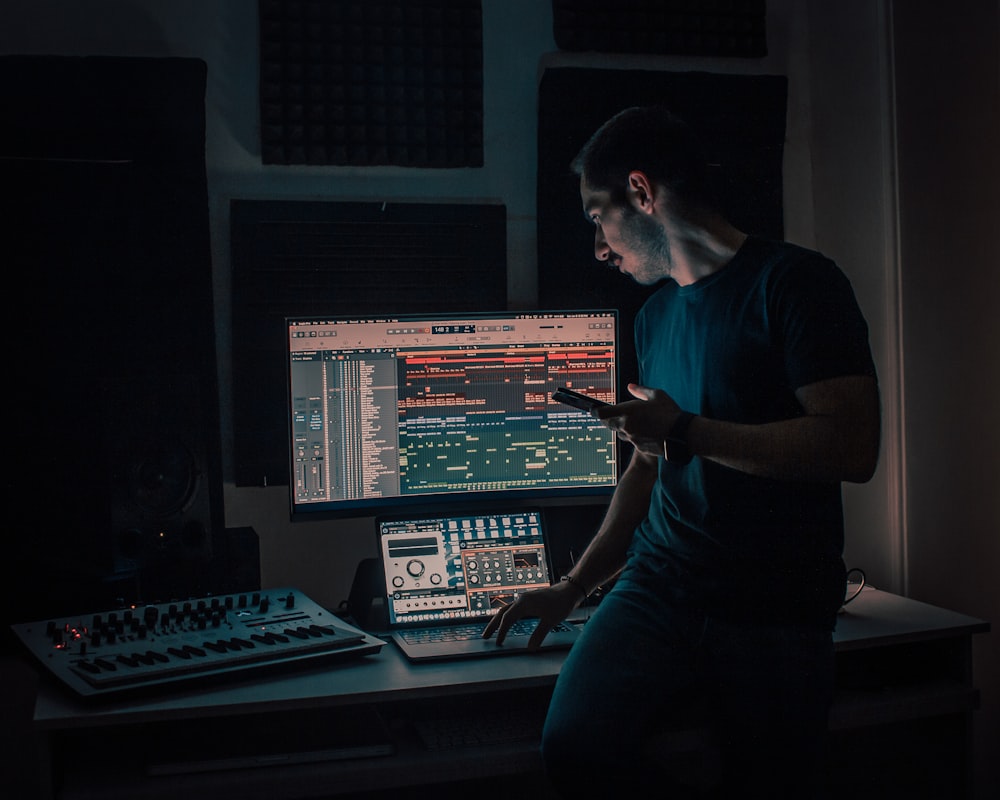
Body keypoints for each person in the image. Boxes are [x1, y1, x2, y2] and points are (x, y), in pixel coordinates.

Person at [483, 106, 880, 798]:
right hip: (658, 587)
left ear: (640, 193)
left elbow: (850, 445)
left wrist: (685, 431)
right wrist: (574, 587)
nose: (599, 248)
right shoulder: (655, 316)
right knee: (573, 744)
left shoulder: (798, 285)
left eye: (596, 217)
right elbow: (648, 464)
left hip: (774, 604)